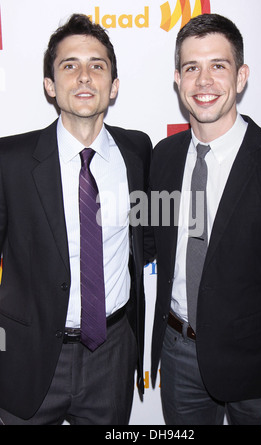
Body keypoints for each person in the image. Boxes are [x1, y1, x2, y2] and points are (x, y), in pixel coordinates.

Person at [0, 13, 152, 425]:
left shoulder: (138, 151)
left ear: (114, 86)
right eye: (70, 65)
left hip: (113, 351)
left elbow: (147, 240)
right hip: (29, 356)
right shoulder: (9, 162)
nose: (84, 76)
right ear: (50, 85)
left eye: (97, 65)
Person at [150, 13, 261, 425]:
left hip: (259, 370)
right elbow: (146, 241)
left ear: (241, 76)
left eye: (218, 66)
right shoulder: (163, 158)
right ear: (178, 79)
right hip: (178, 357)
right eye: (191, 68)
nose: (204, 81)